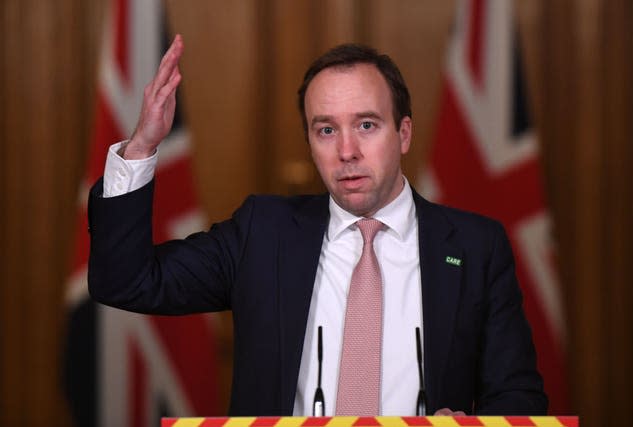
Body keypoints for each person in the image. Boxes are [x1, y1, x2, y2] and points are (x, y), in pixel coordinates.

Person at [88, 34, 547, 417]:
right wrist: (141, 146)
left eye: (366, 125)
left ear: (403, 133)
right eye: (326, 130)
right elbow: (126, 281)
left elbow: (518, 400)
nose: (346, 150)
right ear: (309, 140)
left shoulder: (475, 247)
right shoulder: (262, 234)